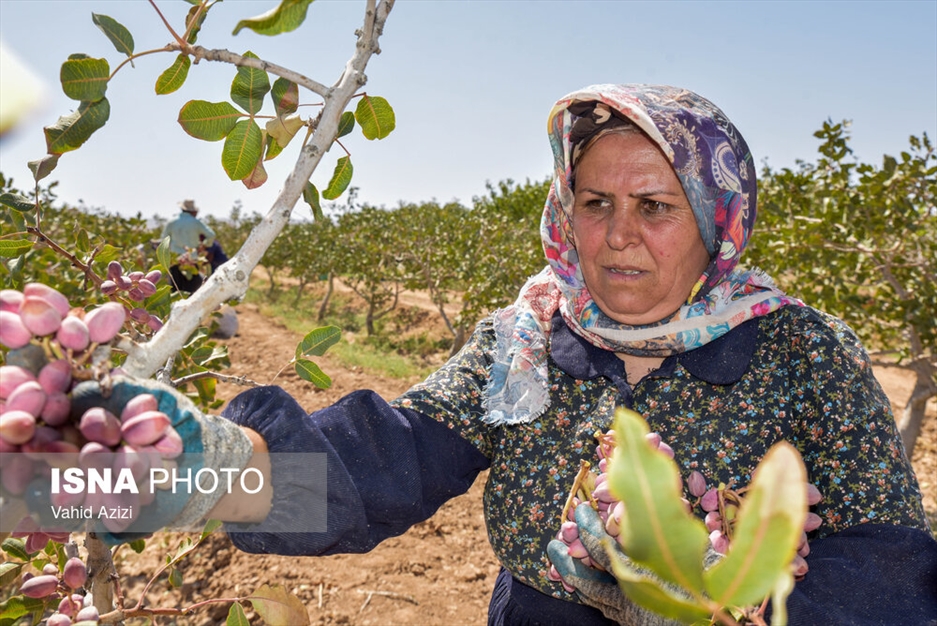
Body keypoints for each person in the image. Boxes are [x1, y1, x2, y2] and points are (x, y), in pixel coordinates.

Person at [69, 84, 937, 624]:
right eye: (594, 202)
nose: (617, 235)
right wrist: (222, 471)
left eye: (654, 206)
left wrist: (721, 604)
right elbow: (393, 454)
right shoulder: (525, 337)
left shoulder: (804, 353)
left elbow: (889, 571)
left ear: (718, 222)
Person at [161, 199, 215, 293]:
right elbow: (211, 235)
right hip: (191, 261)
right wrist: (204, 245)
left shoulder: (172, 222)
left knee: (176, 292)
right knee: (192, 291)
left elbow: (163, 241)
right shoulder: (196, 222)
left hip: (175, 261)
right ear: (192, 211)